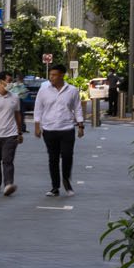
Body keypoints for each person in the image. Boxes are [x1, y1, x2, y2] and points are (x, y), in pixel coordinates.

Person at [33, 61, 86, 197]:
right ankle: (55, 187)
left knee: (67, 155)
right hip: (49, 129)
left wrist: (80, 126)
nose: (51, 77)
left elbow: (78, 109)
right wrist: (37, 127)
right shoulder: (43, 90)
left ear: (62, 75)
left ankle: (66, 180)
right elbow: (38, 108)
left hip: (67, 128)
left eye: (54, 75)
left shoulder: (72, 90)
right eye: (50, 75)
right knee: (53, 158)